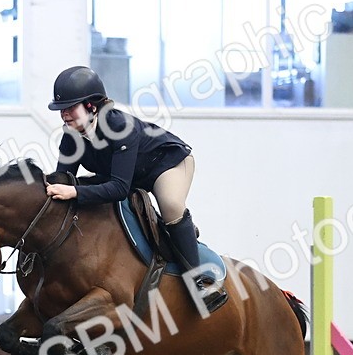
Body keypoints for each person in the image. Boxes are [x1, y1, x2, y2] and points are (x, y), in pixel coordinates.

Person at [44, 65, 226, 313]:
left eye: (70, 109)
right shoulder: (71, 135)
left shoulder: (120, 127)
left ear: (91, 106)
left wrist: (75, 192)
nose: (64, 116)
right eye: (61, 110)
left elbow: (119, 188)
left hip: (165, 164)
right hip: (128, 175)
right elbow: (64, 179)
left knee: (171, 205)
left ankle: (200, 283)